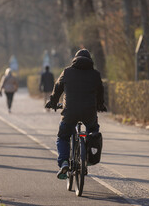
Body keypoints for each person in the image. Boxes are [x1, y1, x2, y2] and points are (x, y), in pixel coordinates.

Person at [45, 49, 107, 179]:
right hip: (89, 112)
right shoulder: (95, 74)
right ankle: (88, 156)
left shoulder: (67, 72)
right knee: (93, 130)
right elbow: (100, 92)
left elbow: (57, 88)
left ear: (75, 59)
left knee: (63, 136)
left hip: (70, 112)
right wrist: (100, 105)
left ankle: (64, 162)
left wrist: (53, 102)